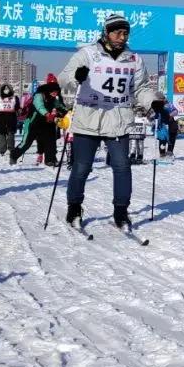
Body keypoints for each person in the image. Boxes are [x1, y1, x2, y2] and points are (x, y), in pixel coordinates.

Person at [58, 14, 156, 228]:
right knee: (82, 167)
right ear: (106, 33)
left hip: (118, 120)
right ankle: (74, 207)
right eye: (117, 33)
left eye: (125, 33)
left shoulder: (134, 59)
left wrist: (153, 102)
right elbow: (63, 78)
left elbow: (141, 88)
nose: (122, 37)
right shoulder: (87, 54)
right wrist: (76, 76)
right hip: (88, 119)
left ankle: (121, 211)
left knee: (122, 166)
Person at [10, 74, 66, 167]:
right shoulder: (39, 95)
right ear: (49, 90)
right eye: (53, 91)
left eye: (56, 91)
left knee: (50, 141)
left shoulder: (54, 99)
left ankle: (50, 160)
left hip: (46, 124)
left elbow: (60, 106)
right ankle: (14, 155)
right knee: (26, 143)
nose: (55, 93)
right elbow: (39, 106)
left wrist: (68, 111)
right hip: (33, 123)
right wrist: (47, 114)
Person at [0, 84, 20, 158]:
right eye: (5, 89)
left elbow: (17, 107)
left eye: (8, 89)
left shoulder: (15, 97)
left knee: (11, 134)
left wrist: (18, 110)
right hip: (1, 118)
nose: (6, 91)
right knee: (1, 134)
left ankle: (11, 149)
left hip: (11, 117)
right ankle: (2, 150)